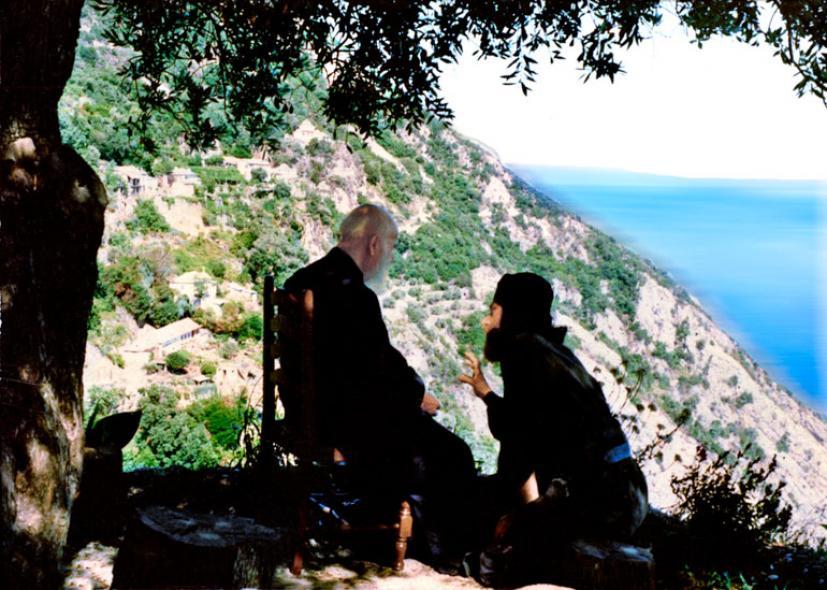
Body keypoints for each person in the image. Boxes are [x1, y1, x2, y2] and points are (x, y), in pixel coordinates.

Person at [283, 204, 475, 564]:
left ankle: (386, 529)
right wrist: (419, 397)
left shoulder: (300, 280)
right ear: (373, 244)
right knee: (453, 454)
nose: (389, 257)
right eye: (389, 247)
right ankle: (440, 555)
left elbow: (368, 364)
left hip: (305, 414)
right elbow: (379, 371)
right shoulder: (355, 296)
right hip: (339, 425)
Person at [459, 272, 648, 584]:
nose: (486, 321)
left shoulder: (522, 351)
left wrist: (521, 516)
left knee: (486, 546)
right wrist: (487, 394)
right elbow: (527, 424)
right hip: (626, 492)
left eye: (493, 311)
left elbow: (519, 446)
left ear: (512, 314)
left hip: (605, 499)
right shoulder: (551, 351)